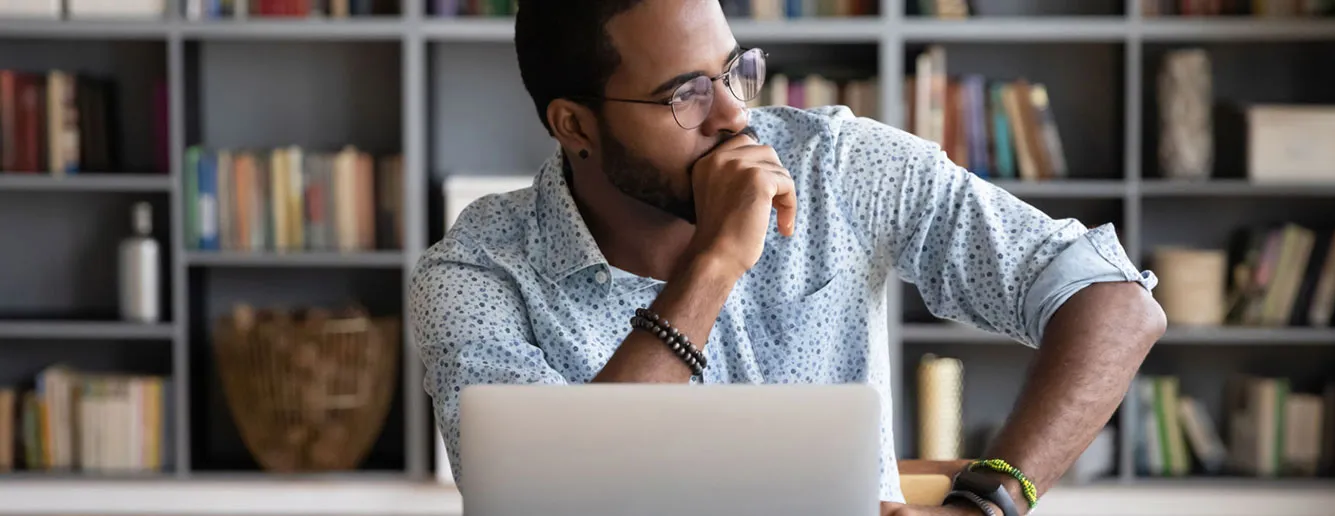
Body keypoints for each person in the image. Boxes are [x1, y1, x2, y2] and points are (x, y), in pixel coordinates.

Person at [408, 0, 1168, 513]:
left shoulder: (836, 166)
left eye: (736, 70)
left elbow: (1114, 300)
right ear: (575, 124)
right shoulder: (476, 276)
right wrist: (713, 265)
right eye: (686, 95)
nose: (737, 114)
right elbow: (549, 503)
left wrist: (990, 497)